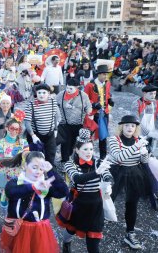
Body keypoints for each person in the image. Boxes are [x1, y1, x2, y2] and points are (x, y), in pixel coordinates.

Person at [57, 128, 113, 253]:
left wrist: (109, 184)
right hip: (78, 204)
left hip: (96, 207)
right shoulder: (69, 164)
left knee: (93, 244)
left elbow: (108, 175)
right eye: (85, 149)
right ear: (77, 150)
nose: (89, 153)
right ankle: (66, 244)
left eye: (91, 149)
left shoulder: (98, 162)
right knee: (70, 230)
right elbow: (77, 179)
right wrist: (97, 172)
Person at [0, 151, 68, 253]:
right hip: (19, 229)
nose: (38, 171)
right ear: (25, 166)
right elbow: (11, 192)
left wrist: (51, 171)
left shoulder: (45, 184)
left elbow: (63, 192)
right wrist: (33, 187)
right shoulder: (16, 182)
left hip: (40, 230)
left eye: (41, 169)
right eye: (34, 167)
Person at [108, 115, 150, 250]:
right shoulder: (114, 140)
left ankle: (130, 233)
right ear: (121, 127)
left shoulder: (138, 140)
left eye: (133, 125)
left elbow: (143, 161)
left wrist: (144, 154)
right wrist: (137, 146)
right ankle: (94, 226)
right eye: (127, 125)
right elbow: (120, 157)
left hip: (135, 173)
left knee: (132, 203)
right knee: (107, 200)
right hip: (116, 172)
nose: (130, 128)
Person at [0, 116, 30, 213]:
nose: (14, 131)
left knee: (18, 199)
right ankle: (6, 218)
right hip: (4, 176)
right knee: (4, 199)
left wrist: (23, 157)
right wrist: (17, 158)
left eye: (17, 129)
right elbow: (0, 162)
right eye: (12, 128)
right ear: (6, 128)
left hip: (19, 177)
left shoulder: (24, 142)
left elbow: (27, 161)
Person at [56, 78, 92, 172]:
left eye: (71, 88)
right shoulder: (61, 94)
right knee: (65, 143)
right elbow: (55, 105)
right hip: (64, 123)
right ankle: (65, 162)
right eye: (67, 87)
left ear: (77, 87)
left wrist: (89, 111)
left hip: (78, 124)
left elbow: (88, 107)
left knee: (75, 144)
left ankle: (76, 161)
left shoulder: (83, 96)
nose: (68, 90)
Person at [24, 83, 61, 164]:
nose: (41, 95)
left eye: (44, 93)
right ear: (36, 93)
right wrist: (33, 135)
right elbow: (27, 122)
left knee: (50, 156)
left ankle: (49, 174)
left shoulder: (53, 102)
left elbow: (56, 116)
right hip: (36, 135)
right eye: (39, 93)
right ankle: (35, 174)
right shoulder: (31, 105)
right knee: (35, 157)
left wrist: (55, 129)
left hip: (50, 134)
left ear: (48, 93)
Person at [84, 65, 114, 160]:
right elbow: (85, 99)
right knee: (88, 135)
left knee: (103, 135)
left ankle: (103, 157)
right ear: (99, 74)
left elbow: (107, 94)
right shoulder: (90, 85)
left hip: (104, 113)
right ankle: (86, 156)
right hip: (93, 114)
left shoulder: (108, 83)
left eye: (106, 75)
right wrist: (93, 104)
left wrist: (109, 100)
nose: (106, 76)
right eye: (104, 74)